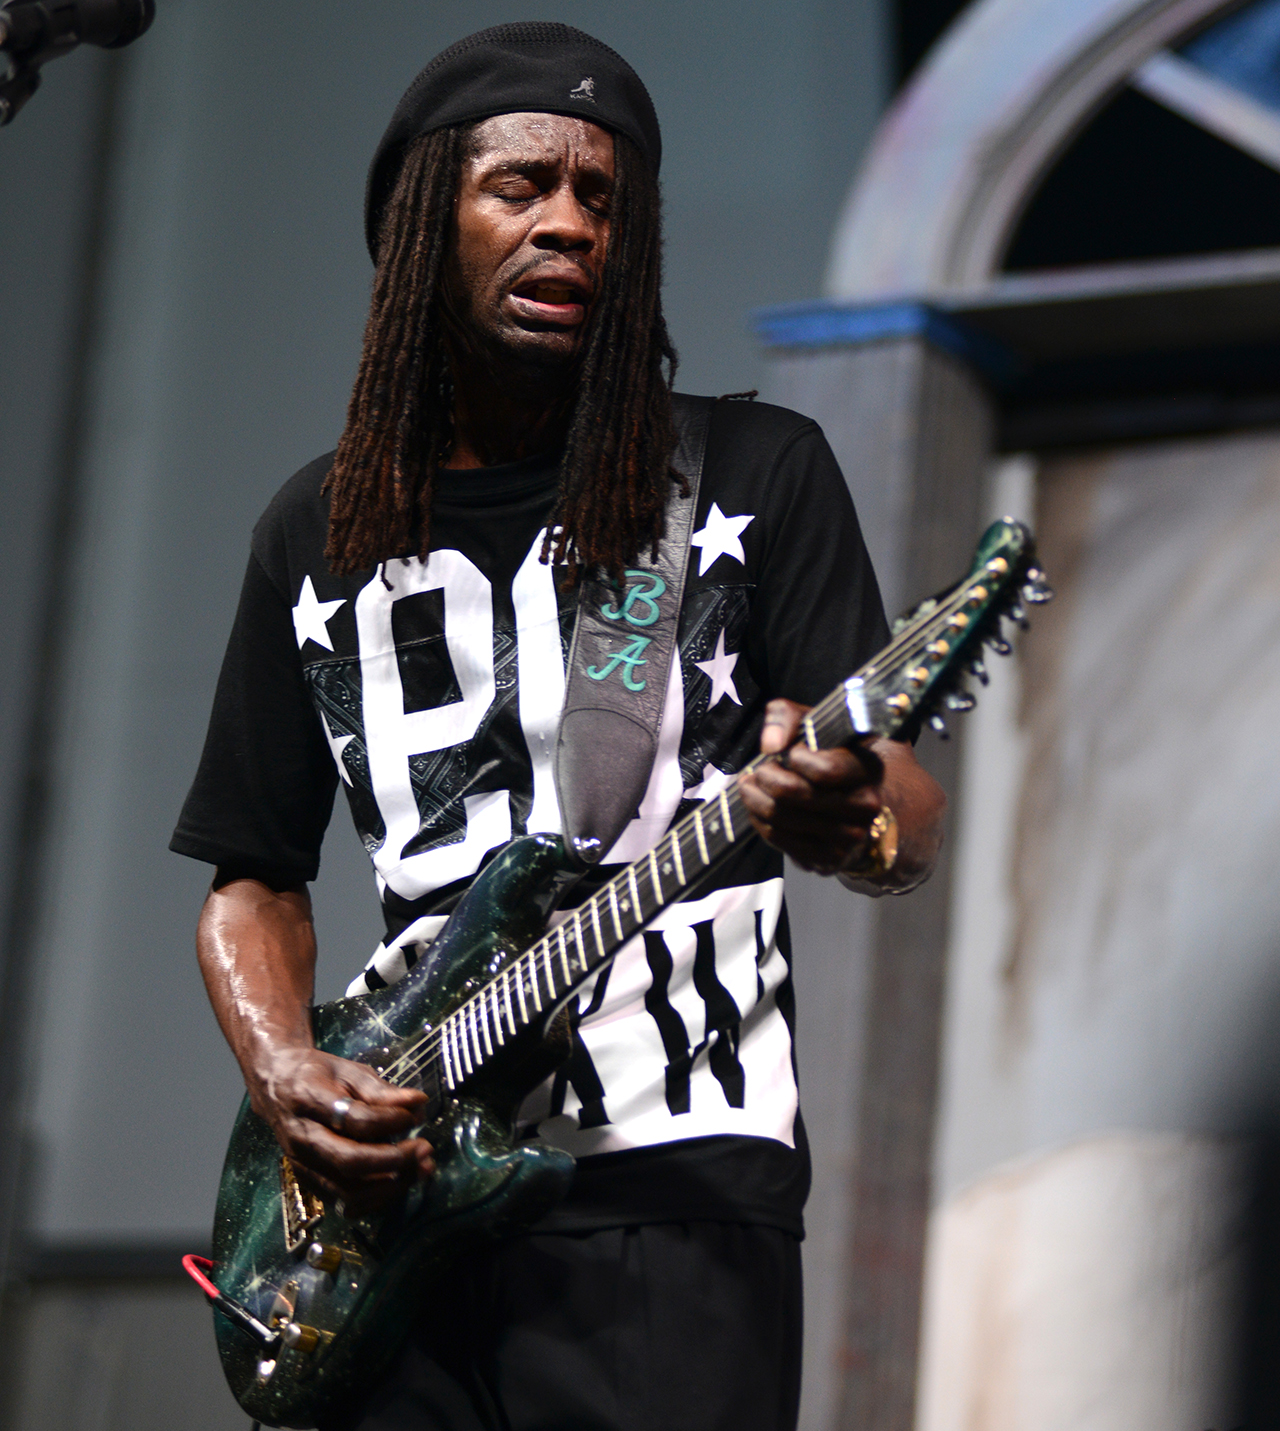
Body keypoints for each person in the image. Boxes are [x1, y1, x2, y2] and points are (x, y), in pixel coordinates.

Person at [172, 22, 945, 1431]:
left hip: (675, 1170)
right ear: (426, 223)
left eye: (603, 199)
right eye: (521, 186)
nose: (571, 224)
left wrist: (858, 814)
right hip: (390, 1198)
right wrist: (284, 1073)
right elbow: (252, 873)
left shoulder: (754, 472)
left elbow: (903, 800)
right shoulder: (315, 528)